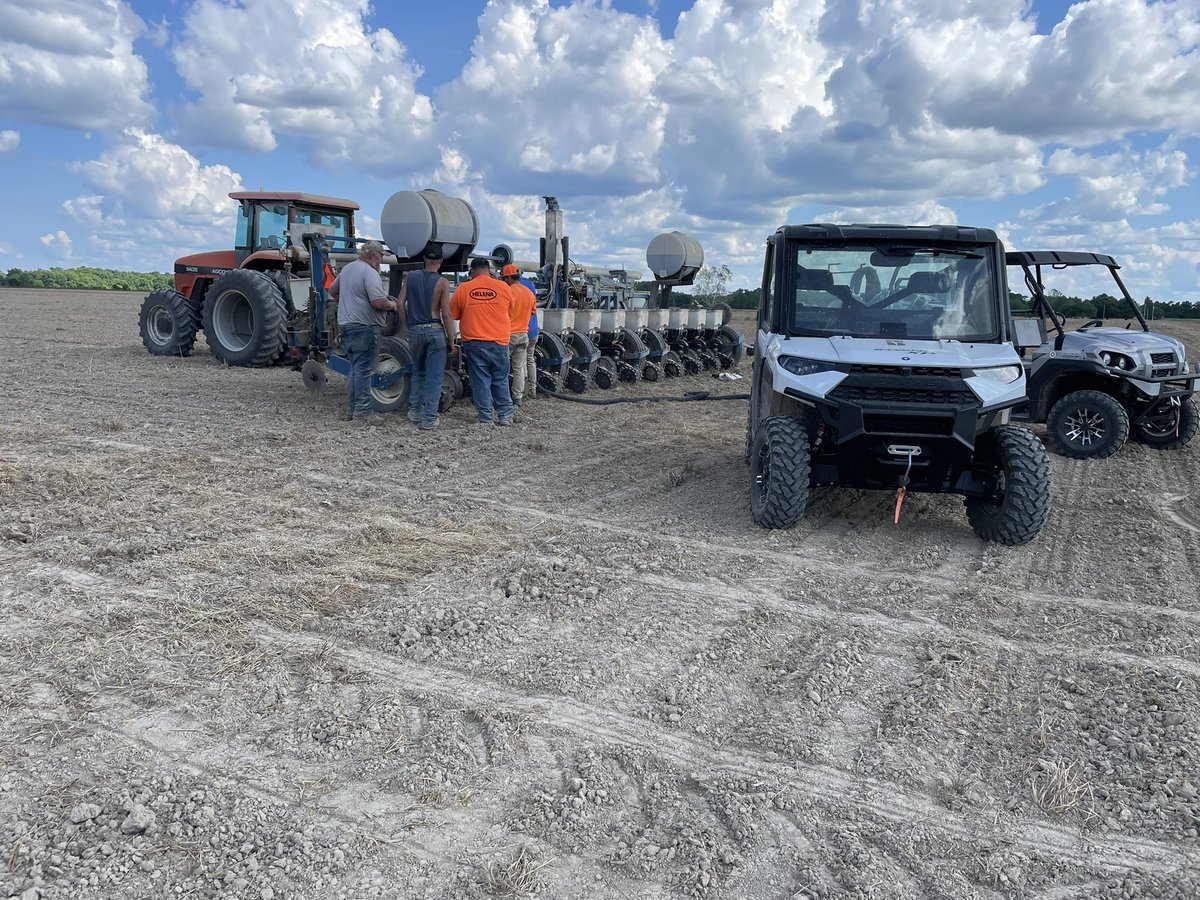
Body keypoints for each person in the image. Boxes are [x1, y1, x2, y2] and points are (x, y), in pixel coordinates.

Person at [328, 239, 397, 426]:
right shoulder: (369, 272)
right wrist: (393, 305)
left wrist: (351, 303)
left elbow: (333, 291)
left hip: (347, 326)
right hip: (365, 328)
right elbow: (378, 303)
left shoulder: (348, 269)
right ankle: (363, 413)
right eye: (381, 256)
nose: (381, 260)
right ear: (374, 255)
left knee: (355, 370)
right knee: (364, 371)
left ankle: (353, 410)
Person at [450, 257, 515, 426]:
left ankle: (486, 418)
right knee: (500, 379)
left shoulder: (464, 288)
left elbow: (454, 315)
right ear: (489, 269)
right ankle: (506, 416)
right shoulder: (504, 287)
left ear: (471, 271)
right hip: (500, 341)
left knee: (481, 381)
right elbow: (510, 309)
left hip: (475, 342)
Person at [399, 249, 454, 430]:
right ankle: (429, 419)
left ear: (424, 259)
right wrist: (451, 339)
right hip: (435, 329)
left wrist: (407, 325)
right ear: (441, 261)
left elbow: (399, 304)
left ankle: (414, 412)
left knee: (418, 372)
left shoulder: (411, 277)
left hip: (415, 330)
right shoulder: (443, 282)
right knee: (435, 377)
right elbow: (445, 313)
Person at [501, 264, 537, 405]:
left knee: (501, 368)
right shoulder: (529, 293)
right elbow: (532, 312)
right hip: (524, 335)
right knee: (519, 368)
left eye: (504, 278)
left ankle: (501, 397)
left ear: (509, 277)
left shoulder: (507, 292)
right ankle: (518, 397)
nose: (504, 280)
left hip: (508, 335)